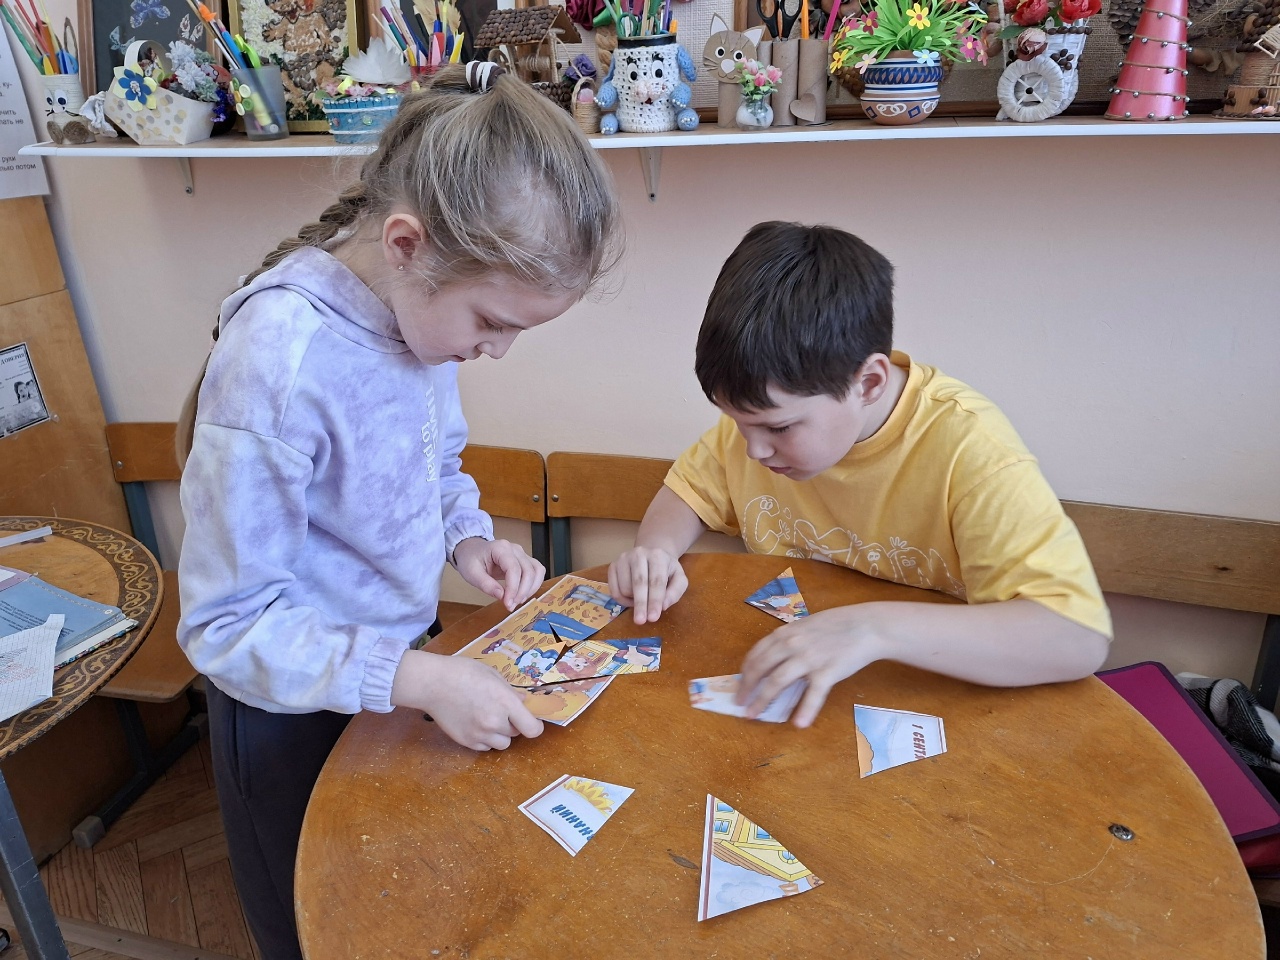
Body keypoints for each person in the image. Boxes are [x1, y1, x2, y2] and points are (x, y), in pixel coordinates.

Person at [175, 62, 620, 960]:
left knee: (393, 902)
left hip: (395, 670)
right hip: (285, 715)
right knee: (313, 927)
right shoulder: (277, 363)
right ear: (408, 245)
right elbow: (228, 624)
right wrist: (418, 681)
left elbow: (432, 462)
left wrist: (467, 537)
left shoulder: (417, 321)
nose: (496, 352)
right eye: (492, 322)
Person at [608, 221, 1111, 730]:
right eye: (737, 422)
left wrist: (873, 628)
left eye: (778, 428)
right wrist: (656, 552)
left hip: (943, 708)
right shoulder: (763, 419)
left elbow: (1076, 638)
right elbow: (688, 492)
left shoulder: (971, 450)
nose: (753, 449)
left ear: (868, 383)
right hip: (812, 704)